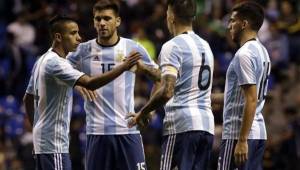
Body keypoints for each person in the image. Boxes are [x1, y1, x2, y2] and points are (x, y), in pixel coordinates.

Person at [23, 15, 141, 170]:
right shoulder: (57, 63)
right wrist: (123, 67)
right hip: (54, 144)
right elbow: (91, 83)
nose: (79, 38)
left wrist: (36, 131)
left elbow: (27, 98)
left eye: (78, 32)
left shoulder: (42, 59)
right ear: (58, 37)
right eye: (73, 33)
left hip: (43, 143)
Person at [67, 0, 160, 170]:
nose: (102, 23)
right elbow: (59, 71)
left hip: (128, 131)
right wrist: (77, 85)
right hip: (97, 133)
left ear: (117, 21)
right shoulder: (83, 50)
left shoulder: (133, 48)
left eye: (107, 18)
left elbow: (160, 78)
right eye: (98, 19)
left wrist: (148, 110)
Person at [128, 0, 215, 169]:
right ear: (193, 17)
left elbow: (167, 90)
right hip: (206, 127)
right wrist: (144, 68)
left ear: (171, 17)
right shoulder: (206, 46)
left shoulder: (172, 46)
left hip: (181, 126)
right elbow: (172, 80)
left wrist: (143, 112)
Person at [213, 1, 271, 169]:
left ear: (244, 24)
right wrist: (208, 98)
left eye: (232, 21)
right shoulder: (262, 51)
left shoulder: (243, 55)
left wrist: (242, 140)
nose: (229, 26)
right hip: (258, 132)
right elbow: (240, 96)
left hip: (239, 134)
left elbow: (251, 99)